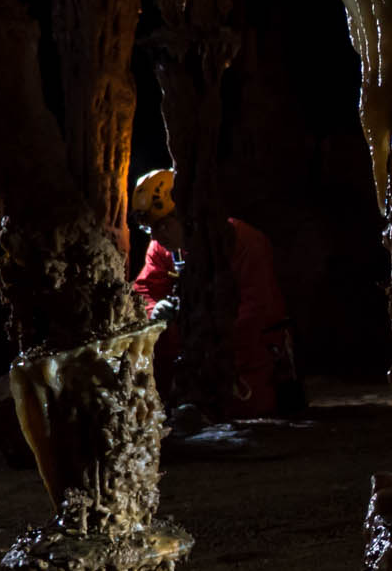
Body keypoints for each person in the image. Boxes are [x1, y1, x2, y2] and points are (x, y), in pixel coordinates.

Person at [128, 168, 301, 420]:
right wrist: (155, 310)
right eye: (149, 229)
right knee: (156, 337)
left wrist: (205, 346)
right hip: (196, 353)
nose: (156, 236)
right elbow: (143, 291)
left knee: (244, 401)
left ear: (186, 215)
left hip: (245, 352)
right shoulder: (162, 249)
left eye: (163, 225)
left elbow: (257, 312)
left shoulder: (243, 242)